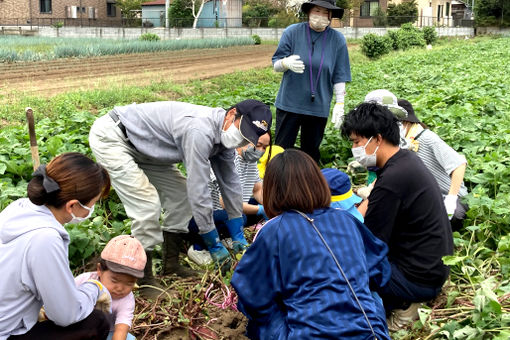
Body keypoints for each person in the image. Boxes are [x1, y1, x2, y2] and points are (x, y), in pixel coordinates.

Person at [89, 99, 272, 297]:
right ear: (231, 115)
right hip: (116, 137)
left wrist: (236, 230)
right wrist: (212, 241)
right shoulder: (199, 130)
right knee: (147, 203)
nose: (241, 141)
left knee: (182, 198)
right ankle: (144, 279)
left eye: (248, 138)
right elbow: (199, 188)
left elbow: (230, 183)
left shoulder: (224, 139)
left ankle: (171, 264)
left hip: (148, 149)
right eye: (241, 132)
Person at [231, 149, 391, 340]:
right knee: (371, 294)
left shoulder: (274, 229)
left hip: (308, 335)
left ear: (273, 190)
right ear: (318, 182)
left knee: (262, 319)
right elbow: (380, 272)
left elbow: (252, 294)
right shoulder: (347, 219)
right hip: (370, 334)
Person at [341, 102, 453, 331]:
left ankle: (402, 307)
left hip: (418, 279)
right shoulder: (405, 161)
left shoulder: (393, 180)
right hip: (432, 266)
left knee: (346, 274)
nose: (354, 148)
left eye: (356, 142)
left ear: (377, 139)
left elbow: (369, 245)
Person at [0, 152, 111, 339]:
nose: (92, 210)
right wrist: (95, 287)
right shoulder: (45, 238)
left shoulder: (19, 208)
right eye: (93, 204)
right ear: (72, 206)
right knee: (97, 322)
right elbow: (65, 315)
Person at [272, 0, 351, 163]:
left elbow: (339, 73)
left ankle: (306, 186)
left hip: (318, 106)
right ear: (309, 12)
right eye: (317, 11)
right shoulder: (292, 32)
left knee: (310, 155)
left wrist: (340, 103)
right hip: (290, 103)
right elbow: (276, 64)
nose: (320, 16)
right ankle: (277, 185)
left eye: (325, 13)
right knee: (281, 151)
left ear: (331, 16)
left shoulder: (337, 40)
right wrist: (285, 63)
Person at [187, 133, 272, 265]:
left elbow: (257, 189)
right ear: (243, 140)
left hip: (228, 214)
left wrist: (271, 206)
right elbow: (225, 203)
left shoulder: (250, 162)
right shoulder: (227, 159)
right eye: (258, 145)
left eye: (265, 148)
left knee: (252, 209)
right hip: (203, 217)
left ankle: (225, 237)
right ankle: (198, 247)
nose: (260, 151)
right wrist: (261, 209)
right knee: (242, 216)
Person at [397, 99, 469, 231]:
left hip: (449, 196)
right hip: (426, 195)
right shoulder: (401, 143)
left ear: (406, 122)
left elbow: (459, 165)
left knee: (452, 217)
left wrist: (451, 198)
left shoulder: (428, 138)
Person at [75, 235, 146, 340]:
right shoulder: (84, 281)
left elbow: (121, 329)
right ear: (100, 269)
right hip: (76, 328)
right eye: (115, 280)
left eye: (129, 283)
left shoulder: (126, 300)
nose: (120, 288)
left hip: (106, 333)